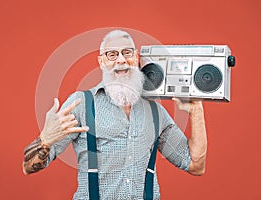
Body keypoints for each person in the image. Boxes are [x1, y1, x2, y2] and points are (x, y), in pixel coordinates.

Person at [22, 30, 207, 199]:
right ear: (101, 61)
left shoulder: (154, 111)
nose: (120, 60)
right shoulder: (81, 104)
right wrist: (45, 140)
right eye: (112, 54)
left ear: (137, 58)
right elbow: (28, 167)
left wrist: (196, 112)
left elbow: (195, 165)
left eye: (127, 53)